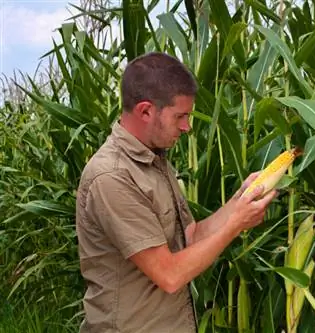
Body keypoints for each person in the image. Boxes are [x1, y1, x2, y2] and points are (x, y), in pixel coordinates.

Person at [75, 52, 277, 333]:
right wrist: (236, 224)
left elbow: (190, 236)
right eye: (180, 116)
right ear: (145, 111)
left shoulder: (153, 159)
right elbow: (169, 274)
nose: (187, 126)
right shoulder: (112, 177)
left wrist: (238, 202)